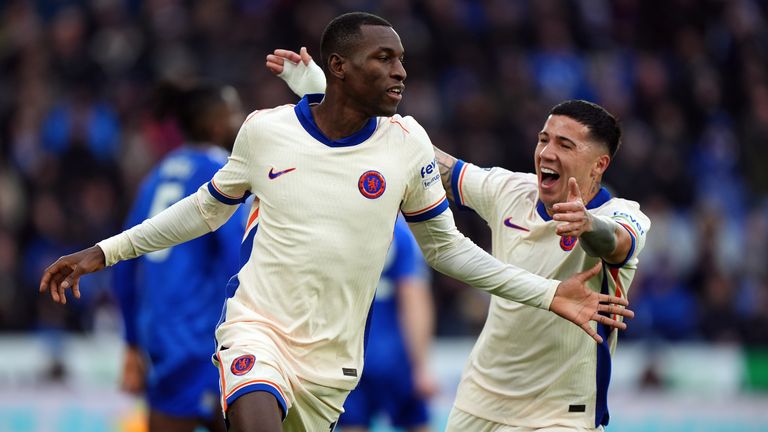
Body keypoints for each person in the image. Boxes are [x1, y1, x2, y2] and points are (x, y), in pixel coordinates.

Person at [41, 12, 633, 432]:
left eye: (403, 60)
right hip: (257, 329)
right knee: (250, 405)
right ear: (340, 67)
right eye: (385, 59)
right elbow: (201, 211)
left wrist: (548, 293)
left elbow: (446, 249)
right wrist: (104, 252)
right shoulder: (265, 131)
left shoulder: (407, 145)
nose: (401, 72)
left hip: (332, 363)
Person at [268, 47, 650, 431]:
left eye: (565, 145)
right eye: (543, 139)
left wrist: (587, 225)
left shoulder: (620, 214)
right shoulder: (510, 190)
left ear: (599, 164)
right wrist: (324, 90)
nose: (546, 153)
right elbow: (418, 156)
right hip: (479, 402)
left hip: (559, 415)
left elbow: (618, 242)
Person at [112, 82, 246, 432]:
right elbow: (240, 257)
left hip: (160, 338)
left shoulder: (156, 175)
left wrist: (131, 343)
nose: (242, 120)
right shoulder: (223, 173)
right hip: (207, 337)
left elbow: (123, 264)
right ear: (216, 124)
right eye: (234, 112)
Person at [338, 217, 436, 432]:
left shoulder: (335, 228)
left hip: (346, 354)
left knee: (352, 425)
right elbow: (414, 299)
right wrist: (421, 367)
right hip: (397, 356)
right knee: (417, 424)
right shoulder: (398, 232)